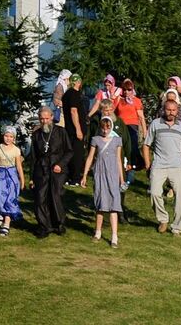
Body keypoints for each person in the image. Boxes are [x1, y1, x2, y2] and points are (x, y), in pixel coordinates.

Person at [144, 94, 181, 236]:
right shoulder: (155, 124)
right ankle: (163, 219)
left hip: (177, 166)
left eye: (173, 110)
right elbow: (146, 145)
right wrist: (148, 164)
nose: (171, 112)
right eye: (168, 110)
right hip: (159, 164)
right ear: (164, 109)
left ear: (177, 111)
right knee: (154, 193)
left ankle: (177, 228)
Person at [80, 115, 127, 247]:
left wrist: (121, 179)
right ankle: (98, 232)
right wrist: (84, 175)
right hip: (100, 173)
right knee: (100, 202)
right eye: (103, 128)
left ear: (111, 127)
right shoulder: (96, 140)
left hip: (112, 173)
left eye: (108, 128)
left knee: (114, 203)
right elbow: (90, 157)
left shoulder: (117, 140)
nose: (105, 131)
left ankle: (114, 236)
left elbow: (119, 160)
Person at [29, 105, 73, 236]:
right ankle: (44, 226)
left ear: (52, 118)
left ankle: (58, 224)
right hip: (41, 169)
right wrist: (31, 177)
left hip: (57, 169)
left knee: (55, 196)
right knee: (40, 198)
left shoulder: (61, 132)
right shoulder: (37, 135)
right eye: (41, 119)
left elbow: (69, 152)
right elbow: (34, 156)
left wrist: (61, 164)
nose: (44, 121)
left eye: (47, 119)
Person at [0, 126, 24, 236]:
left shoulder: (16, 150)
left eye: (11, 136)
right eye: (6, 136)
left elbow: (19, 166)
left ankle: (6, 223)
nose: (8, 138)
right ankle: (1, 217)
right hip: (1, 175)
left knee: (10, 199)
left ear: (14, 138)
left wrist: (22, 180)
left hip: (12, 176)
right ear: (3, 136)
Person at [58, 75, 86, 184]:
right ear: (78, 82)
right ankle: (75, 179)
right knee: (77, 154)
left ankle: (67, 176)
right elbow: (73, 111)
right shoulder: (74, 94)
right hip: (75, 130)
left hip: (69, 128)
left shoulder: (66, 94)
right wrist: (78, 129)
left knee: (69, 152)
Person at [114, 78, 145, 165]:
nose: (126, 92)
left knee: (132, 148)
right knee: (121, 148)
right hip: (121, 126)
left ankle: (133, 166)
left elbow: (141, 117)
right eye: (125, 89)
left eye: (129, 90)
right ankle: (122, 168)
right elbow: (113, 112)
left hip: (132, 126)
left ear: (132, 90)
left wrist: (145, 132)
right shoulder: (119, 100)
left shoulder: (136, 101)